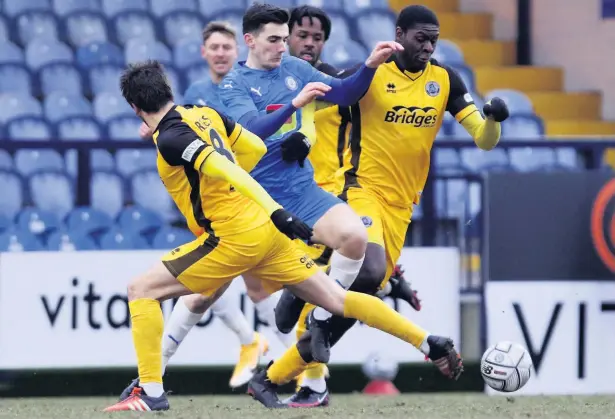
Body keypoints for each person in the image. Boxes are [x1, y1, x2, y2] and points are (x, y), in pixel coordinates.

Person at [104, 60, 464, 412]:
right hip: (264, 230)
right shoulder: (204, 114)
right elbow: (255, 148)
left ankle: (151, 392)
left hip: (234, 237)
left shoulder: (170, 137)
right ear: (167, 90)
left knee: (141, 290)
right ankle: (427, 342)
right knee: (335, 299)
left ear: (135, 108)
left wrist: (275, 208)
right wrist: (263, 208)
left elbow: (226, 167)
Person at [251, 4, 510, 408]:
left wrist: (493, 119)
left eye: (434, 40)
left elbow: (483, 138)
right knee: (366, 271)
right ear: (400, 34)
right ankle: (312, 298)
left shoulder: (445, 80)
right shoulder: (370, 74)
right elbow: (314, 101)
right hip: (361, 189)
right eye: (420, 38)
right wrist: (294, 132)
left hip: (402, 206)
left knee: (362, 291)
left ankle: (273, 375)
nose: (427, 47)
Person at [138, 21, 296, 393]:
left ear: (238, 49)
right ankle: (287, 361)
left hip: (254, 193)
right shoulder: (194, 96)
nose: (222, 53)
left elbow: (256, 135)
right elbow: (177, 141)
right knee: (217, 286)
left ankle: (154, 378)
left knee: (232, 288)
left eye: (227, 47)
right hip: (216, 204)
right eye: (215, 48)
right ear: (204, 53)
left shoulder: (248, 84)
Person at [279, 5, 422, 407]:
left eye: (316, 37)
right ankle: (309, 379)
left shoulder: (338, 83)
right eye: (301, 35)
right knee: (306, 287)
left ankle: (313, 384)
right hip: (286, 196)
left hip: (330, 197)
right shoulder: (270, 85)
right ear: (286, 36)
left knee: (315, 289)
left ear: (325, 41)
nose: (309, 43)